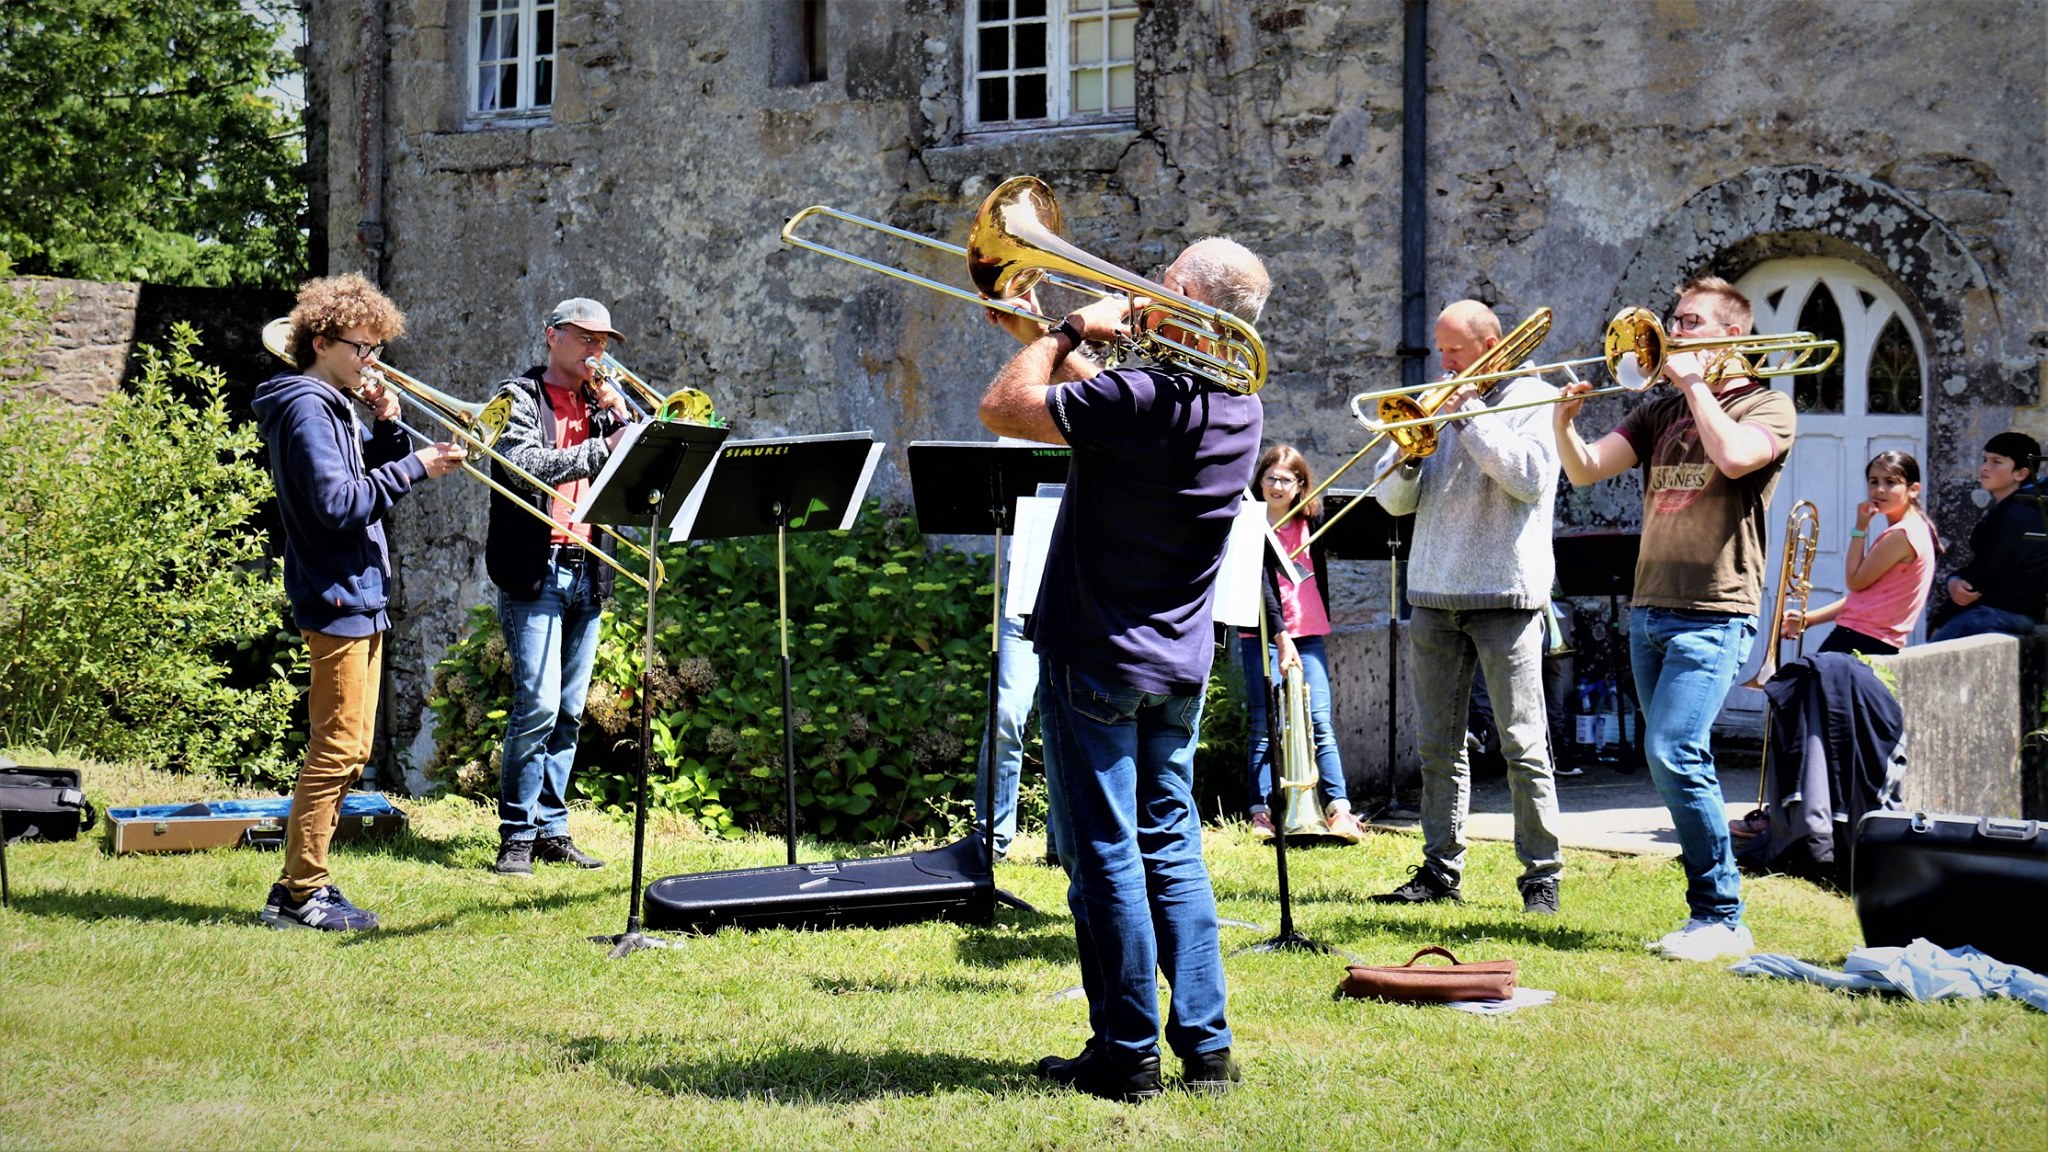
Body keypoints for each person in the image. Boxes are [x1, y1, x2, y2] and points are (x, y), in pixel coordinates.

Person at [979, 236, 1269, 1101]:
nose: (1146, 281)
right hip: (1177, 663)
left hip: (1097, 654)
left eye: (1164, 276)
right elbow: (1074, 399)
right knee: (1171, 849)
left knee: (1104, 855)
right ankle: (1206, 1048)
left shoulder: (1142, 397)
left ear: (1183, 293)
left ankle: (1126, 1053)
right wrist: (1067, 343)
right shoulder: (1238, 407)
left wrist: (1068, 327)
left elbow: (1005, 406)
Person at [1553, 276, 1797, 961]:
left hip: (1714, 610)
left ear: (1733, 334)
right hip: (1651, 607)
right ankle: (1710, 911)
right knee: (1668, 758)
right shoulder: (1660, 413)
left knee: (1673, 750)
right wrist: (1563, 422)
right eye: (1675, 321)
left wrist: (1695, 387)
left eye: (1689, 322)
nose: (1673, 332)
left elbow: (1736, 456)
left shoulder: (1769, 405)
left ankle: (1721, 914)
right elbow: (1587, 471)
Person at [252, 273, 466, 930]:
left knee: (349, 745)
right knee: (338, 750)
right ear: (320, 341)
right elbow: (340, 503)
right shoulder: (306, 406)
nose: (372, 361)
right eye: (362, 347)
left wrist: (391, 430)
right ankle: (299, 895)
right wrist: (418, 466)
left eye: (377, 348)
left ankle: (303, 883)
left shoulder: (331, 404)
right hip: (338, 594)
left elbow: (358, 478)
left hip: (359, 594)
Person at [1369, 300, 1566, 914]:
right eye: (1440, 349)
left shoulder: (1534, 396)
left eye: (1454, 349)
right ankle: (1439, 870)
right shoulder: (1434, 399)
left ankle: (1541, 875)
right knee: (1437, 746)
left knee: (1522, 743)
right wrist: (1410, 456)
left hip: (1505, 594)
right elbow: (1393, 502)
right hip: (1433, 592)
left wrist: (1470, 416)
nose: (1444, 361)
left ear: (1491, 342)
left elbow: (1529, 478)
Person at [486, 298, 636, 876]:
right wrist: (603, 446)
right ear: (552, 336)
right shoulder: (518, 398)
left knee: (570, 710)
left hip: (590, 562)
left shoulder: (603, 406)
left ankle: (553, 828)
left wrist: (624, 420)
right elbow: (520, 461)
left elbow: (637, 465)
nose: (596, 352)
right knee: (537, 706)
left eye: (603, 342)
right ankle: (516, 836)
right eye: (585, 339)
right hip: (536, 564)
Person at [1240, 444, 1365, 844]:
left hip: (1308, 633)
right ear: (1259, 482)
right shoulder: (1249, 523)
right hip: (1262, 634)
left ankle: (1338, 808)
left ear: (1300, 485)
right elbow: (1262, 587)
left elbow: (1319, 578)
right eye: (1270, 477)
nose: (1277, 485)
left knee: (1319, 721)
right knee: (1265, 725)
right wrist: (1280, 634)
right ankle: (1260, 812)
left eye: (1286, 479)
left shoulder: (1313, 523)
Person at [1782, 451, 1940, 657]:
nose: (1879, 489)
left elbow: (1855, 581)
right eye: (1874, 481)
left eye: (1890, 482)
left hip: (1860, 640)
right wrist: (1809, 619)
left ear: (1913, 490)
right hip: (1871, 640)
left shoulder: (1901, 535)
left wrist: (1860, 528)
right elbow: (1864, 596)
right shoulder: (1916, 528)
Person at [1930, 432, 2046, 641]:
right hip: (2010, 613)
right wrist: (1953, 580)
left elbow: (1983, 574)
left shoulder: (2019, 514)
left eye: (1996, 462)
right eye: (1985, 460)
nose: (1984, 467)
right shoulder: (2018, 509)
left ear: (2020, 473)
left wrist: (1942, 618)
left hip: (2001, 613)